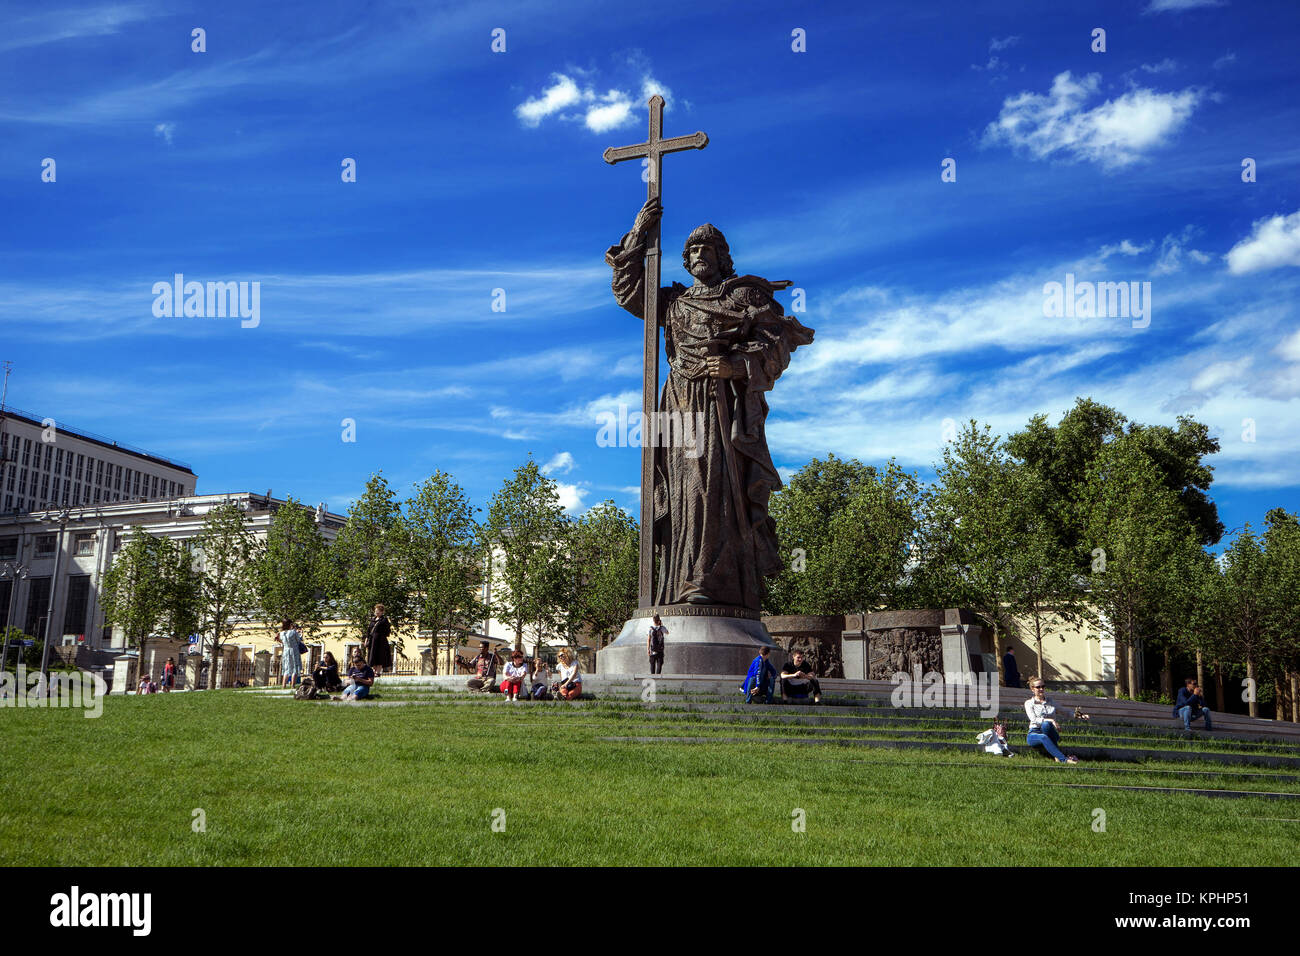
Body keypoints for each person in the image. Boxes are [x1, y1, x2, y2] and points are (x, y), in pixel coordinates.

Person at [607, 199, 815, 609]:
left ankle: (708, 579)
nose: (700, 255)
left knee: (710, 486)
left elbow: (778, 347)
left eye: (709, 249)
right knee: (680, 489)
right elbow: (629, 291)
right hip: (677, 402)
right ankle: (677, 581)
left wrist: (737, 365)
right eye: (694, 250)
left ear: (723, 258)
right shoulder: (673, 303)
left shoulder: (741, 298)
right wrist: (637, 234)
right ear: (685, 261)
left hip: (719, 404)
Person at [1024, 678, 1088, 764]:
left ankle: (1057, 756)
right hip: (1034, 733)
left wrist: (1080, 716)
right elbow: (1034, 719)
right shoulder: (1029, 703)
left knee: (1046, 725)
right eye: (1038, 687)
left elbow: (1065, 711)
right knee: (1045, 730)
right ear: (1032, 689)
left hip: (1050, 732)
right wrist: (1051, 720)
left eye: (1043, 686)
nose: (1041, 689)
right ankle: (1063, 759)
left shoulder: (1051, 701)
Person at [364, 604, 392, 677]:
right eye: (376, 611)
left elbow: (387, 630)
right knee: (372, 655)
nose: (376, 612)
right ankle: (373, 671)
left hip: (380, 641)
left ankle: (378, 672)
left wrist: (381, 636)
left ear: (382, 612)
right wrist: (366, 639)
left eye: (378, 611)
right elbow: (368, 630)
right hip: (372, 640)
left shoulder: (384, 620)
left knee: (379, 656)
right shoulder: (372, 620)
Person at [277, 618, 303, 687]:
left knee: (286, 668)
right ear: (290, 624)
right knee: (295, 667)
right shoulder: (293, 632)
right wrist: (301, 634)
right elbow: (298, 640)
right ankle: (292, 685)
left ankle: (283, 685)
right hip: (294, 650)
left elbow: (282, 642)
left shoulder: (281, 633)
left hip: (286, 651)